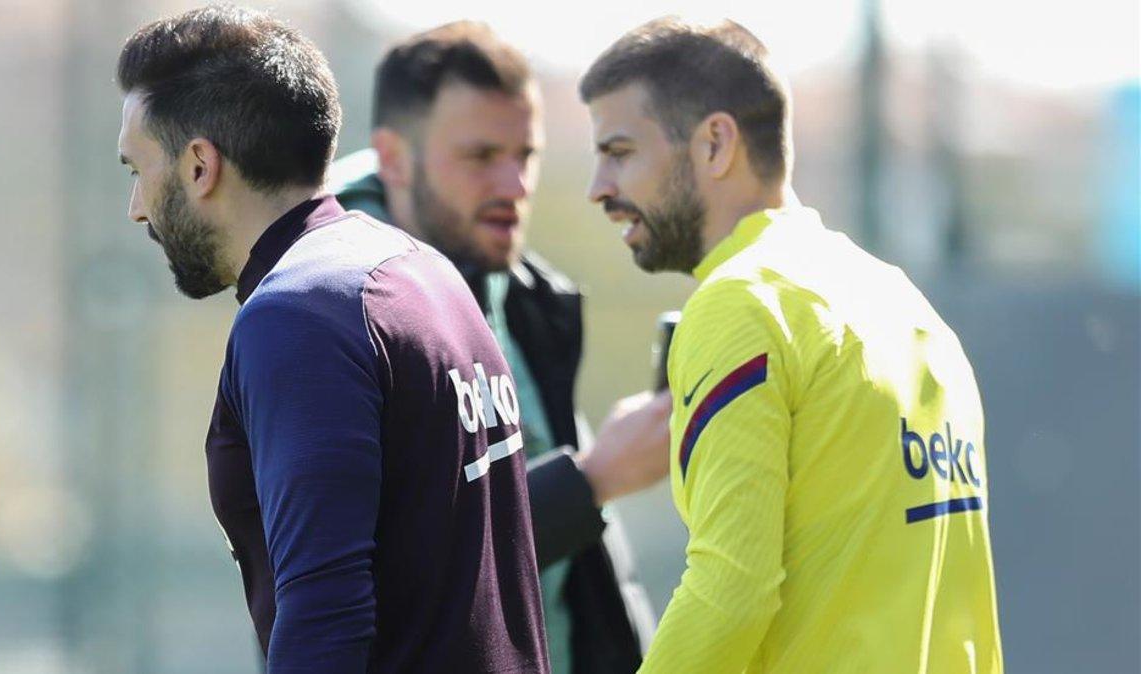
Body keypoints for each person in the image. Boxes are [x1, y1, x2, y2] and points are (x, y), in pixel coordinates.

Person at [115, 7, 548, 672]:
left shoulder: (299, 316)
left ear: (200, 165)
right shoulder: (424, 274)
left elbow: (325, 618)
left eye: (137, 170)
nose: (138, 206)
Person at [579, 18, 1004, 673]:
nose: (599, 188)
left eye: (620, 150)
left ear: (715, 143)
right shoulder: (905, 306)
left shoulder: (741, 303)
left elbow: (732, 592)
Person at [324, 22, 669, 674]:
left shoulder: (528, 301)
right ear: (394, 158)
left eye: (527, 155)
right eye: (482, 156)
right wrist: (593, 479)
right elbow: (391, 578)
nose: (514, 185)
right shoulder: (334, 319)